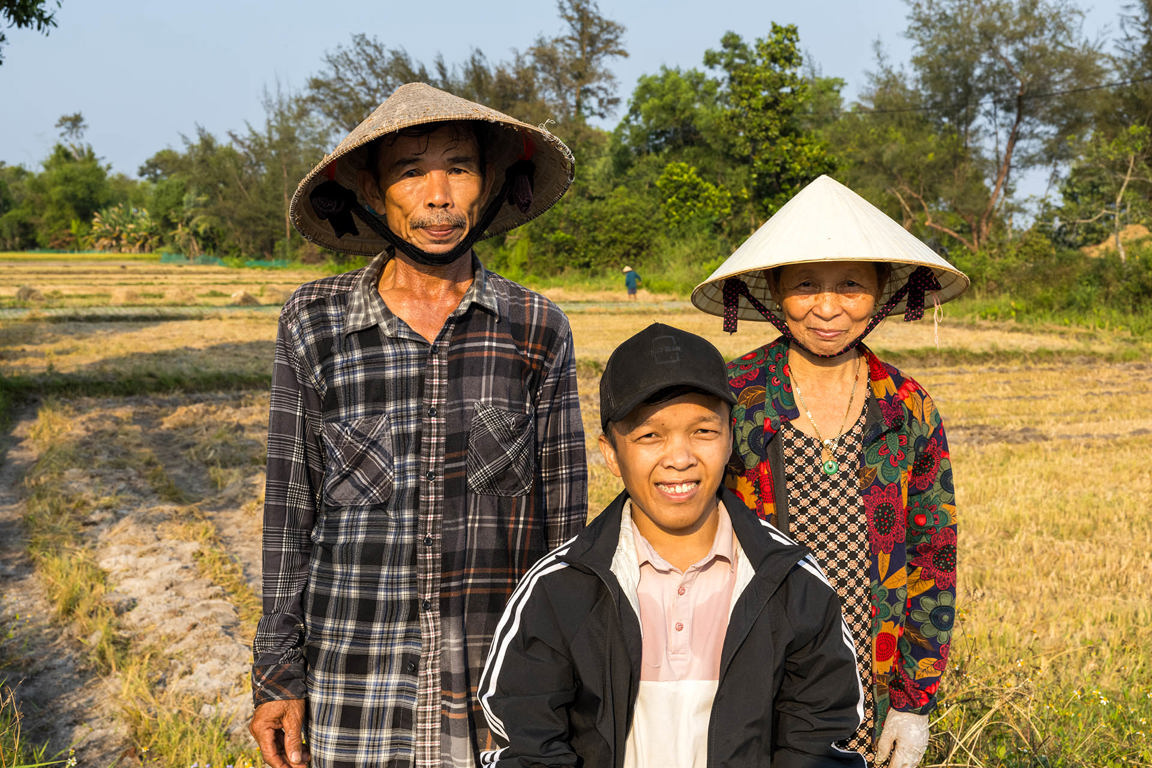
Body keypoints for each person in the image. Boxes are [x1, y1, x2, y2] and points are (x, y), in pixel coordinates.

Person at [249, 83, 588, 768]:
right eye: (411, 171)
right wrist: (277, 674)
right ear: (374, 193)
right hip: (357, 682)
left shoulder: (535, 327)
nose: (439, 195)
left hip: (499, 682)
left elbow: (567, 529)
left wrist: (571, 672)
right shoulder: (315, 323)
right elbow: (290, 512)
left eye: (459, 168)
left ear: (489, 183)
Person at [478, 323, 867, 768]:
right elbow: (529, 746)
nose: (679, 458)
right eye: (650, 436)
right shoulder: (560, 589)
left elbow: (816, 745)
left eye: (703, 431)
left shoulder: (790, 583)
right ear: (610, 453)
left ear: (729, 438)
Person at [691, 175, 968, 768]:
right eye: (805, 286)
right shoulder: (730, 396)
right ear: (773, 292)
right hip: (738, 673)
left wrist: (913, 704)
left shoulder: (907, 406)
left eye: (850, 286)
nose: (827, 308)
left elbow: (932, 556)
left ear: (881, 294)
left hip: (867, 677)